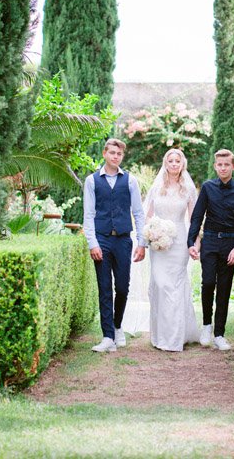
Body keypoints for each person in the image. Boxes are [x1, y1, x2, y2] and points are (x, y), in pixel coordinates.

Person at [83, 138, 146, 352]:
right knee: (104, 289)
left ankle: (118, 326)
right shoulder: (92, 181)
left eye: (118, 154)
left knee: (122, 287)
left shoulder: (130, 181)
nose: (115, 156)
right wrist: (92, 243)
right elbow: (89, 215)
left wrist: (141, 243)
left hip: (123, 240)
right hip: (101, 239)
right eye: (111, 153)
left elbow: (138, 213)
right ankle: (107, 336)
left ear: (122, 156)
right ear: (104, 154)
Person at [187, 149, 234, 351]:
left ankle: (220, 334)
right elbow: (197, 216)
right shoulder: (207, 187)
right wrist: (191, 242)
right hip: (210, 242)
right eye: (219, 165)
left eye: (226, 164)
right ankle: (207, 325)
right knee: (207, 283)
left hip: (230, 244)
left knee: (224, 288)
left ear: (233, 166)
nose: (223, 168)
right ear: (215, 166)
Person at [144, 148, 201, 351]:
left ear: (182, 164)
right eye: (171, 160)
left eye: (178, 161)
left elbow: (194, 219)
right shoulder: (157, 187)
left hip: (179, 245)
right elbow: (147, 216)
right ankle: (160, 335)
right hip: (158, 244)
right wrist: (152, 233)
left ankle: (174, 338)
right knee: (160, 284)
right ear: (165, 163)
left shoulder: (188, 189)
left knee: (175, 287)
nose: (174, 164)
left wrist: (195, 244)